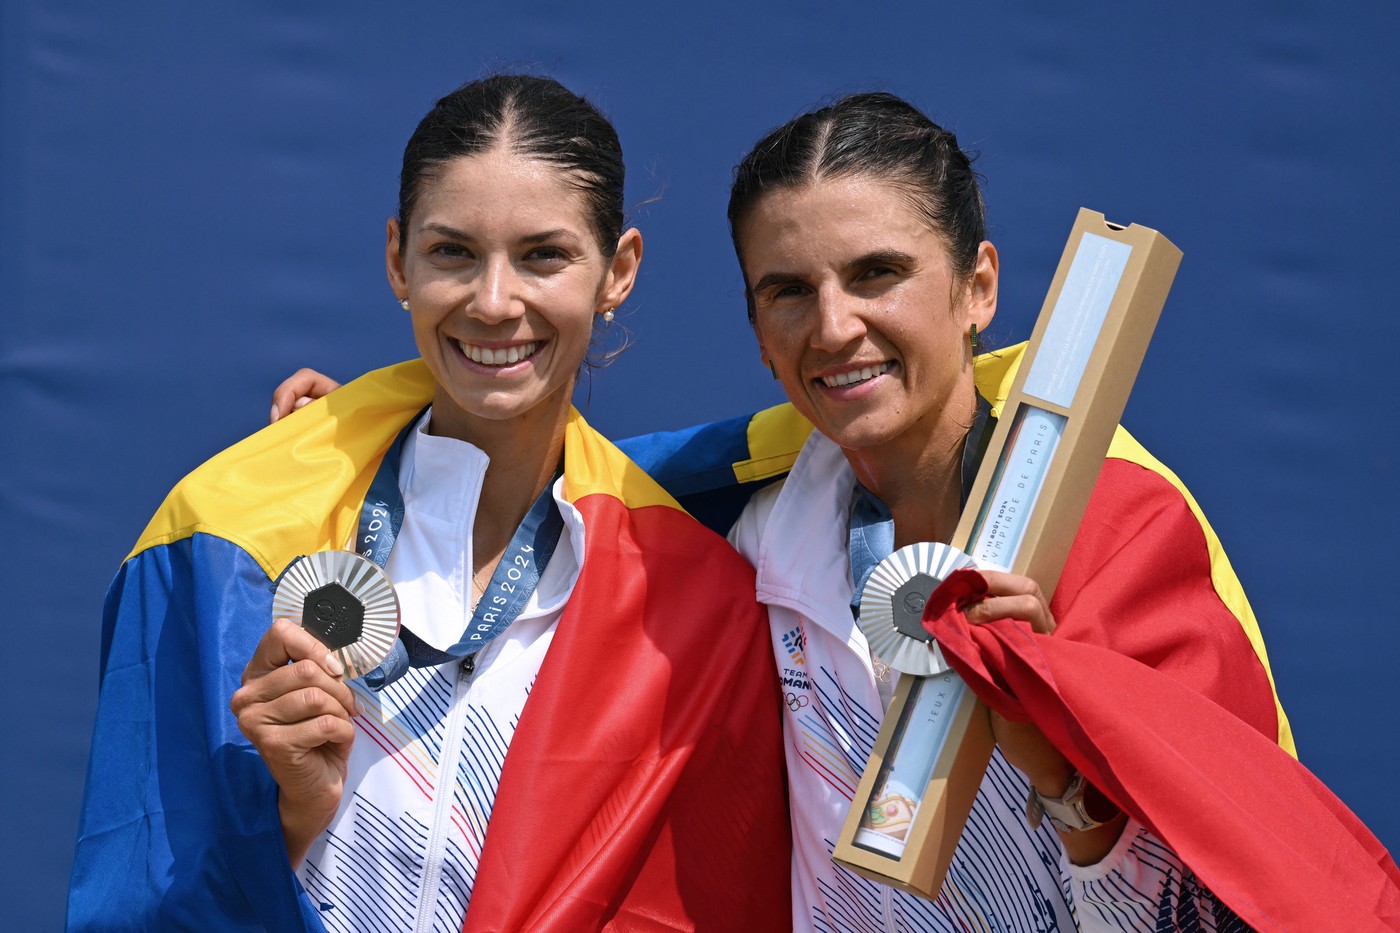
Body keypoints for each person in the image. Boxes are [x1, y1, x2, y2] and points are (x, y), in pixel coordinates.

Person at [269, 92, 1400, 931]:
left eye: (875, 274)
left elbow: (1237, 894)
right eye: (787, 292)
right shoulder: (746, 525)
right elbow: (560, 455)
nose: (833, 327)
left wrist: (1060, 781)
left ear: (978, 287)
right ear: (756, 332)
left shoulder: (1111, 529)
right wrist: (364, 426)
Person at [67, 74, 791, 932]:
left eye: (543, 255)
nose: (493, 302)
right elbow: (140, 899)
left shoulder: (697, 610)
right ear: (395, 259)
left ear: (617, 271)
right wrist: (287, 815)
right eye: (452, 252)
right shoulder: (231, 543)